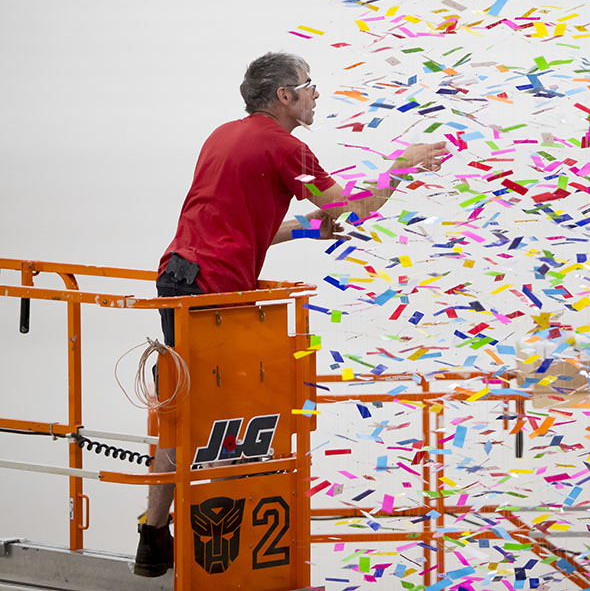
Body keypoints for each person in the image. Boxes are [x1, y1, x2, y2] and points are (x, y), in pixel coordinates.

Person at [134, 52, 445, 577]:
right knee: (226, 421)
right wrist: (403, 164)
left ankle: (153, 536)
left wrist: (306, 229)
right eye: (309, 86)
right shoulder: (285, 147)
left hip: (179, 276)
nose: (316, 94)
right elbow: (355, 208)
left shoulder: (223, 136)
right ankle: (217, 551)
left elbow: (242, 230)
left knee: (182, 414)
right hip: (215, 293)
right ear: (284, 95)